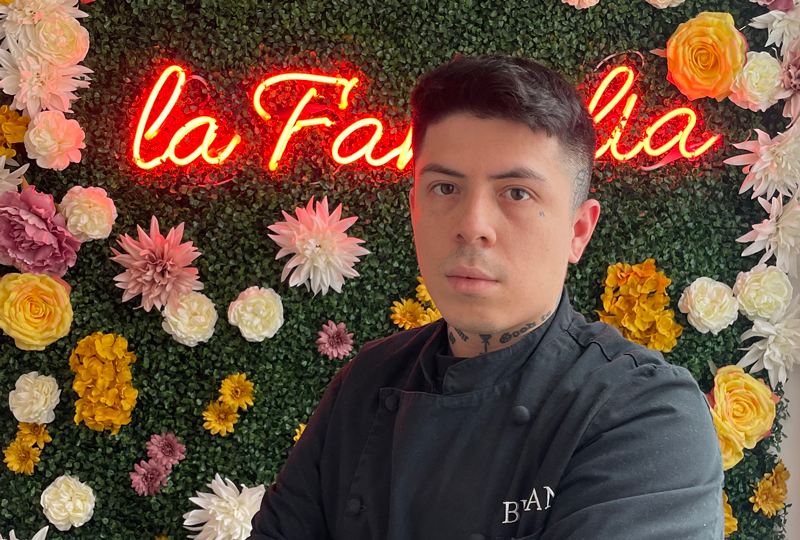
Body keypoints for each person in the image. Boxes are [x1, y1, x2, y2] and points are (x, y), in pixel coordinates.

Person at [247, 54, 724, 540]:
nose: (472, 225)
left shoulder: (647, 413)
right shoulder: (366, 380)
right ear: (414, 210)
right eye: (445, 187)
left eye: (517, 193)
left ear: (578, 230)